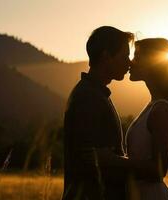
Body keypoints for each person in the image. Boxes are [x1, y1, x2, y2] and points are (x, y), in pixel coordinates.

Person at [62, 26, 134, 200]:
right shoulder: (88, 97)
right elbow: (90, 158)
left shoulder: (94, 93)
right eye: (125, 56)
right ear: (106, 56)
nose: (129, 62)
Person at [125, 38, 168, 200]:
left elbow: (159, 170)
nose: (130, 63)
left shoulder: (162, 110)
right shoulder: (154, 105)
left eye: (137, 57)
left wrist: (116, 163)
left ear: (152, 65)